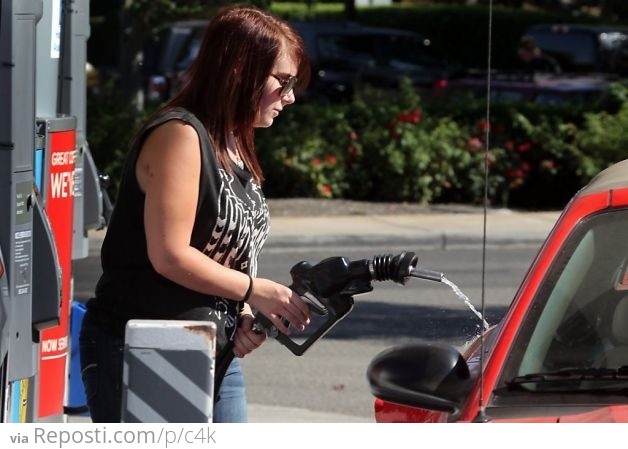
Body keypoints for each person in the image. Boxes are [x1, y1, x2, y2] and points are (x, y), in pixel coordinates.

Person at [79, 5, 312, 423]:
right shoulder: (181, 135)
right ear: (241, 70)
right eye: (283, 81)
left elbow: (227, 252)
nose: (290, 97)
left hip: (212, 347)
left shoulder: (233, 144)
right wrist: (252, 290)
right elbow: (169, 254)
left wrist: (243, 316)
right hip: (145, 343)